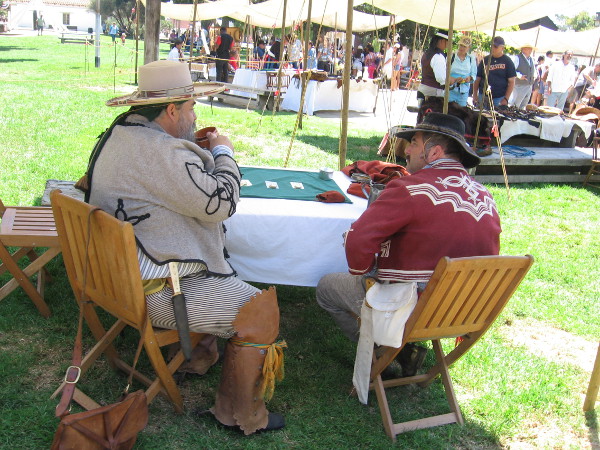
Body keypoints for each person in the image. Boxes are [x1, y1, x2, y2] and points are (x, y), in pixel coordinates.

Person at [86, 60, 285, 435]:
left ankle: (197, 357)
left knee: (212, 260)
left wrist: (190, 150)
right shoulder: (160, 153)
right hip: (154, 293)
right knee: (259, 312)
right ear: (172, 109)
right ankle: (239, 414)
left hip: (115, 281)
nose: (195, 115)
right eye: (191, 107)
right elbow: (221, 203)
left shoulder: (121, 133)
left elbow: (158, 176)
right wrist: (224, 152)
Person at [316, 112, 501, 377]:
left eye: (413, 143)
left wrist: (367, 271)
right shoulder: (486, 195)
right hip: (464, 311)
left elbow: (358, 241)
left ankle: (386, 359)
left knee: (326, 288)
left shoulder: (409, 188)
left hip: (413, 309)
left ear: (434, 152)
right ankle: (399, 351)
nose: (406, 150)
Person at [472, 36, 516, 108]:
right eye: (491, 46)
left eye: (495, 46)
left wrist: (506, 98)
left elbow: (512, 81)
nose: (493, 48)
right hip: (483, 95)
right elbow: (477, 78)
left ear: (502, 48)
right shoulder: (485, 60)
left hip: (499, 97)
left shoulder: (508, 61)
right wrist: (474, 95)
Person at [418, 32, 454, 101]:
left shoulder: (427, 53)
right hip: (432, 93)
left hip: (423, 89)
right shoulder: (438, 56)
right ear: (442, 41)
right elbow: (441, 78)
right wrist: (450, 80)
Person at [448, 36, 477, 107]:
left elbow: (474, 74)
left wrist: (469, 78)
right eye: (461, 45)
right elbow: (445, 72)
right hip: (451, 90)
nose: (462, 48)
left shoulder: (471, 59)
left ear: (468, 47)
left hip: (463, 92)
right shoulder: (451, 56)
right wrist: (453, 79)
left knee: (461, 112)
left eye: (464, 46)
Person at [510, 43, 536, 109]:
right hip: (520, 84)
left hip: (529, 84)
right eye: (529, 49)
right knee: (516, 102)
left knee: (524, 103)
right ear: (523, 49)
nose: (530, 50)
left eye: (531, 49)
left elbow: (533, 70)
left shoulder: (531, 59)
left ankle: (519, 116)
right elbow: (512, 69)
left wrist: (534, 76)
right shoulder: (517, 58)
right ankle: (512, 115)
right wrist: (519, 76)